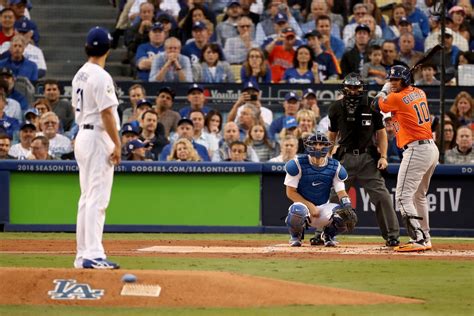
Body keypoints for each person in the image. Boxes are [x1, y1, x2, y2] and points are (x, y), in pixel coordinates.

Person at [327, 73, 400, 247]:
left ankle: (392, 235)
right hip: (345, 157)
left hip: (368, 158)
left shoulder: (372, 105)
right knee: (333, 197)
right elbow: (332, 135)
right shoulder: (336, 107)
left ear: (362, 88)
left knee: (382, 197)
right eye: (350, 87)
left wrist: (383, 156)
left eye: (356, 87)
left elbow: (381, 132)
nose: (353, 91)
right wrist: (327, 156)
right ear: (344, 88)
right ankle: (323, 232)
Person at [71, 26, 121, 269]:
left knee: (86, 198)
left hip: (83, 133)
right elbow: (107, 114)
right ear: (108, 50)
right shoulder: (101, 76)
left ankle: (83, 255)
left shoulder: (80, 73)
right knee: (97, 199)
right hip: (97, 136)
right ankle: (93, 254)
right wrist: (118, 144)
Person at [374, 65, 439, 252]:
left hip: (417, 150)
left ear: (405, 80)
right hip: (430, 148)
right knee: (419, 196)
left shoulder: (396, 97)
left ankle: (418, 238)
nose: (392, 83)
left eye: (395, 80)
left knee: (403, 198)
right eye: (391, 79)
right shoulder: (419, 92)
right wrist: (394, 85)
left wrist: (384, 89)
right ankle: (425, 237)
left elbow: (375, 105)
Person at [283, 132, 357, 247]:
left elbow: (341, 192)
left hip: (323, 208)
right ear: (308, 146)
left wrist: (347, 206)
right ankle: (296, 236)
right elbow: (290, 192)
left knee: (344, 215)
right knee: (297, 211)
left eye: (321, 144)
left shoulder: (335, 166)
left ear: (327, 146)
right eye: (314, 144)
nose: (318, 147)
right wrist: (310, 206)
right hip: (303, 207)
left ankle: (328, 235)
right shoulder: (297, 164)